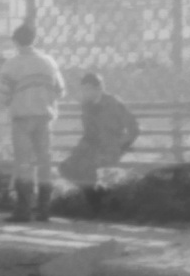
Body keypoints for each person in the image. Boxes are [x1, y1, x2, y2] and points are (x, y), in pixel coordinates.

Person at [0, 23, 65, 223]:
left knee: (24, 165)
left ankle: (23, 210)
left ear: (15, 41)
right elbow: (61, 90)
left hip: (22, 119)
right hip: (44, 118)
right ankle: (44, 209)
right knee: (44, 163)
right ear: (34, 39)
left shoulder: (12, 64)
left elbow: (3, 96)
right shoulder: (49, 62)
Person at [58, 73, 139, 214]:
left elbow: (133, 129)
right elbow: (88, 135)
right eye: (83, 89)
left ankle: (95, 205)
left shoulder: (113, 103)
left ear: (99, 88)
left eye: (89, 89)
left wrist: (121, 145)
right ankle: (99, 195)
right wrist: (78, 152)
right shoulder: (86, 106)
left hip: (111, 147)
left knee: (87, 167)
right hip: (92, 148)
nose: (85, 93)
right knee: (65, 168)